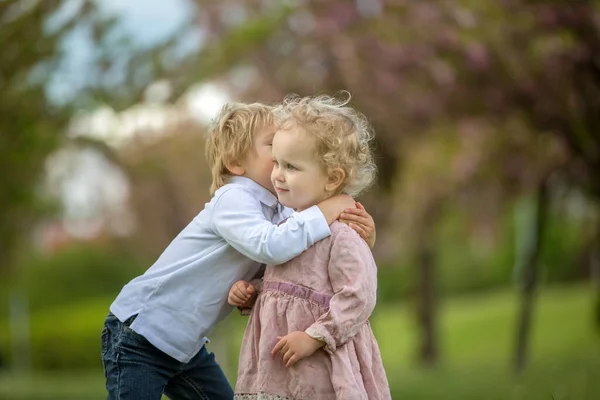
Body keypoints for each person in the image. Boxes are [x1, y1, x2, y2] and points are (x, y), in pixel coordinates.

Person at [101, 101, 377, 400]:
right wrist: (330, 207)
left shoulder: (278, 211)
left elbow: (300, 260)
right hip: (141, 332)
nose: (281, 153)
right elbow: (272, 246)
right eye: (273, 146)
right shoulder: (232, 199)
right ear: (236, 163)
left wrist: (361, 234)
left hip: (185, 346)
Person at [230, 94, 391, 400]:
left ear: (332, 179)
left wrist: (314, 336)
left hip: (321, 368)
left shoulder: (342, 234)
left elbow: (359, 296)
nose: (277, 174)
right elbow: (288, 286)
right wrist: (253, 291)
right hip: (279, 370)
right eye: (276, 162)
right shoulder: (288, 228)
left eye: (291, 166)